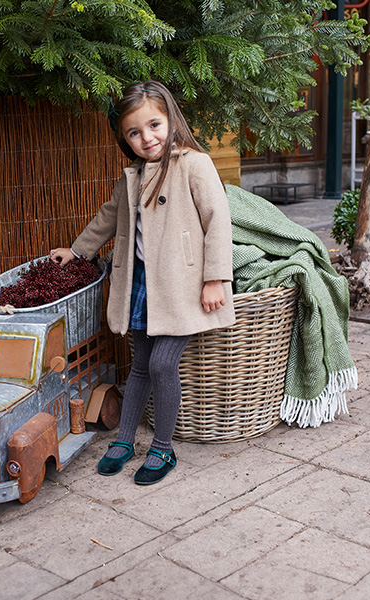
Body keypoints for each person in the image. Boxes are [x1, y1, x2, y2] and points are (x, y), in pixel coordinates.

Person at [50, 81, 235, 485]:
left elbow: (218, 220)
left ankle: (164, 449)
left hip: (182, 286)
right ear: (124, 138)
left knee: (163, 363)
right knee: (139, 366)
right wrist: (78, 250)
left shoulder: (193, 163)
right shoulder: (132, 177)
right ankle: (125, 440)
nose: (146, 137)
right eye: (134, 132)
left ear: (170, 120)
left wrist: (215, 279)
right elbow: (107, 217)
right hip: (141, 286)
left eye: (154, 125)